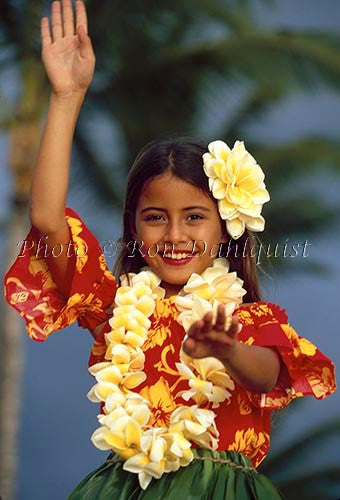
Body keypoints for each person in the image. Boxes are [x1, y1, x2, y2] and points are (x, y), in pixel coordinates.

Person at [4, 1, 336, 499]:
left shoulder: (248, 321)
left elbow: (268, 376)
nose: (174, 235)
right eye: (155, 217)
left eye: (195, 217)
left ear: (227, 229)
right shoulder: (115, 311)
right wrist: (67, 96)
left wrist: (226, 349)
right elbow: (47, 220)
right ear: (133, 226)